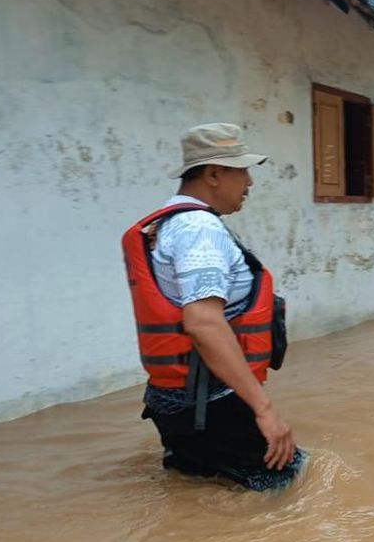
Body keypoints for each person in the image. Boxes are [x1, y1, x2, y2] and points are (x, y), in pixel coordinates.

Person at [121, 123, 304, 490]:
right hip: (211, 403)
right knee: (291, 488)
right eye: (243, 171)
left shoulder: (168, 224)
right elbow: (203, 322)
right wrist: (265, 410)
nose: (250, 182)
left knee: (198, 492)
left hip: (177, 401)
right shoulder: (198, 230)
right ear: (214, 174)